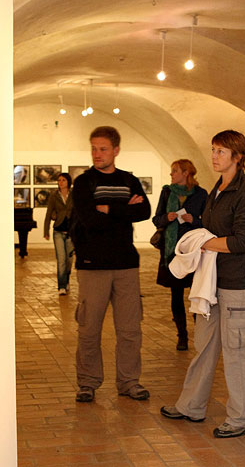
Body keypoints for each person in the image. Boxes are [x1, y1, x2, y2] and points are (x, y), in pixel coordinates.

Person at [160, 130, 245, 439]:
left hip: (237, 282)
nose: (214, 156)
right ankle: (192, 405)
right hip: (211, 281)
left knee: (237, 348)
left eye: (221, 151)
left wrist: (206, 243)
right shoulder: (218, 187)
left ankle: (243, 418)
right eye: (213, 150)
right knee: (204, 346)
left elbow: (244, 240)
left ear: (238, 156)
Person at [71, 126, 151, 403]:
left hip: (126, 264)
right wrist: (125, 211)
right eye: (93, 148)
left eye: (103, 149)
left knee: (130, 329)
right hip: (92, 266)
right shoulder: (83, 183)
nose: (97, 154)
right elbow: (88, 220)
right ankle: (88, 383)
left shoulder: (129, 179)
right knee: (89, 328)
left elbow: (145, 211)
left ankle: (129, 381)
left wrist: (108, 208)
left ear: (116, 150)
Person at [152, 159, 208, 351]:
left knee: (196, 293)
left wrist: (196, 220)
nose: (171, 174)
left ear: (186, 173)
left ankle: (199, 332)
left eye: (175, 171)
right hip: (172, 252)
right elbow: (156, 218)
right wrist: (165, 218)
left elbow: (208, 222)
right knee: (176, 295)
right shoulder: (167, 192)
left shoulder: (201, 194)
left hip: (193, 252)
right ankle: (182, 336)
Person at [43, 173, 75, 294]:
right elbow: (48, 213)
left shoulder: (73, 195)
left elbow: (77, 212)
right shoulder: (54, 196)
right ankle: (61, 286)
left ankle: (66, 280)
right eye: (59, 180)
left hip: (71, 232)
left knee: (69, 261)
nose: (60, 182)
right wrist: (45, 231)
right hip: (58, 231)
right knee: (61, 260)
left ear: (68, 182)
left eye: (63, 180)